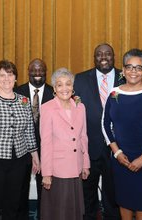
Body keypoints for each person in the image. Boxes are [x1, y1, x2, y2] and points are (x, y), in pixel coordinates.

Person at [102, 48, 142, 220]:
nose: (134, 71)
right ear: (123, 70)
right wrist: (117, 153)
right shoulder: (114, 93)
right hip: (120, 158)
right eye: (129, 67)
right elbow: (105, 124)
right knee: (124, 200)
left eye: (138, 68)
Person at [0, 60, 40, 220]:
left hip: (19, 162)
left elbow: (29, 132)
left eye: (10, 74)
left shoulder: (24, 101)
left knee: (13, 206)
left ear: (16, 78)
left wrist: (35, 157)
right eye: (2, 75)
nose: (7, 79)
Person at [74, 43, 125, 220]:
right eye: (99, 54)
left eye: (108, 54)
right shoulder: (80, 79)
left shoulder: (125, 77)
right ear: (94, 58)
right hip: (89, 147)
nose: (103, 57)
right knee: (88, 195)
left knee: (114, 195)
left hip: (118, 148)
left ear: (114, 56)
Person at [40, 67, 90, 220]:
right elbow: (46, 142)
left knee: (73, 211)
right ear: (54, 88)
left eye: (68, 84)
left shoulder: (80, 107)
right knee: (59, 211)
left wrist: (85, 164)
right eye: (59, 84)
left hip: (76, 166)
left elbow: (83, 137)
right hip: (57, 171)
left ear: (73, 87)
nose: (64, 88)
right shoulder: (47, 108)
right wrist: (46, 173)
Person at [15, 58, 54, 219]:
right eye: (34, 70)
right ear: (28, 72)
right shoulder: (17, 91)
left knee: (45, 189)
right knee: (20, 189)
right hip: (22, 151)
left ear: (46, 72)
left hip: (48, 150)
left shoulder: (55, 93)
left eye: (41, 70)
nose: (37, 73)